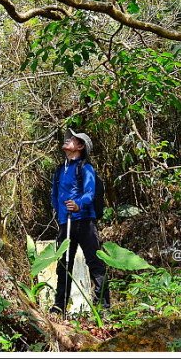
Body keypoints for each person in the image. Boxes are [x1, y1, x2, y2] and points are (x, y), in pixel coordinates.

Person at [49, 128, 110, 315]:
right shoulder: (60, 170)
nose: (67, 140)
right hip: (64, 223)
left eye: (72, 139)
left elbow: (90, 193)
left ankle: (103, 308)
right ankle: (59, 307)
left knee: (95, 263)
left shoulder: (85, 168)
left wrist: (78, 204)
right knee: (63, 265)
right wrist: (59, 212)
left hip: (84, 222)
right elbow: (54, 195)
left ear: (80, 146)